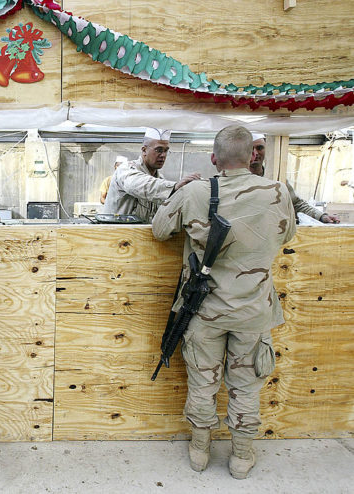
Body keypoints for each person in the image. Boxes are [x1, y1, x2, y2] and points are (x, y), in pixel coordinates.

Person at [152, 125, 296, 479]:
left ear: (214, 159)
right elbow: (288, 233)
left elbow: (159, 229)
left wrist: (182, 191)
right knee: (246, 385)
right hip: (253, 311)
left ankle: (200, 451)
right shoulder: (277, 191)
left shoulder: (198, 191)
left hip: (204, 312)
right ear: (252, 157)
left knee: (203, 383)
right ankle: (241, 457)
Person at [101, 128, 200, 222]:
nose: (163, 155)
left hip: (140, 236)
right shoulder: (126, 169)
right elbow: (139, 185)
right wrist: (174, 186)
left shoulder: (160, 179)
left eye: (166, 150)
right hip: (116, 235)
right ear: (144, 150)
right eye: (159, 150)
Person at [250, 133, 339, 223]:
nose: (255, 153)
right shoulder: (238, 180)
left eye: (259, 148)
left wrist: (321, 216)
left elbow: (296, 204)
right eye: (251, 149)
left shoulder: (276, 177)